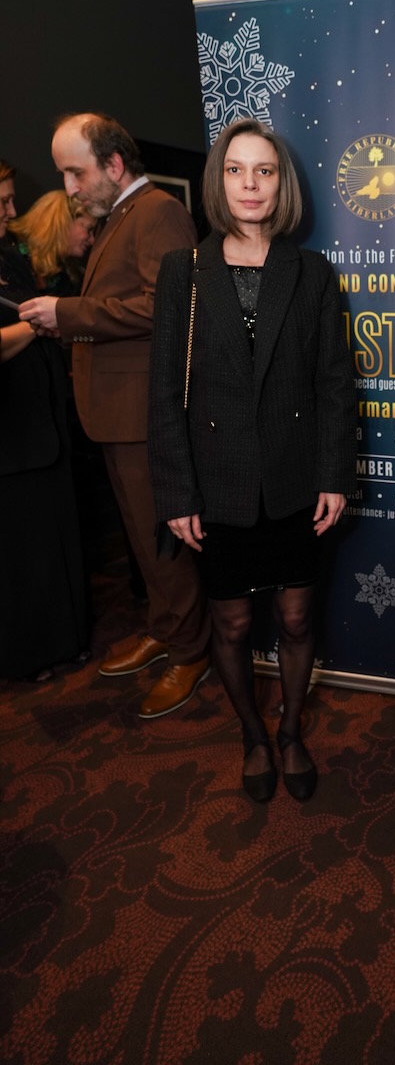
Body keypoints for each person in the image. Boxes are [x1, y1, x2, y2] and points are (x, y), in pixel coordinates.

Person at [148, 117, 356, 802]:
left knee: (296, 620)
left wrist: (334, 475)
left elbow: (334, 385)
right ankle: (252, 736)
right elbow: (164, 393)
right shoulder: (183, 271)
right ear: (218, 181)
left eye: (263, 170)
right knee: (233, 625)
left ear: (280, 183)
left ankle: (290, 731)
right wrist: (176, 494)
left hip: (296, 484)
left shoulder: (312, 272)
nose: (250, 184)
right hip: (218, 486)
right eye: (236, 170)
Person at [19, 114, 210, 718]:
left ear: (114, 165)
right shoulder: (122, 216)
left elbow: (167, 306)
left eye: (75, 173)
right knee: (143, 538)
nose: (69, 188)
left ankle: (192, 650)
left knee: (164, 539)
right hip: (117, 414)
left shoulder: (157, 213)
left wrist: (68, 313)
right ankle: (166, 629)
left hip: (144, 413)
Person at [1, 166, 89, 681]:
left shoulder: (9, 258)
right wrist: (41, 324)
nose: (13, 213)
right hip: (11, 434)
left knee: (53, 541)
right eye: (3, 203)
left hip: (42, 427)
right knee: (22, 553)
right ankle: (30, 654)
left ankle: (64, 641)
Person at [8, 190, 96, 294]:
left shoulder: (70, 276)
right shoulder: (8, 257)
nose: (92, 240)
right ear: (64, 222)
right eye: (89, 229)